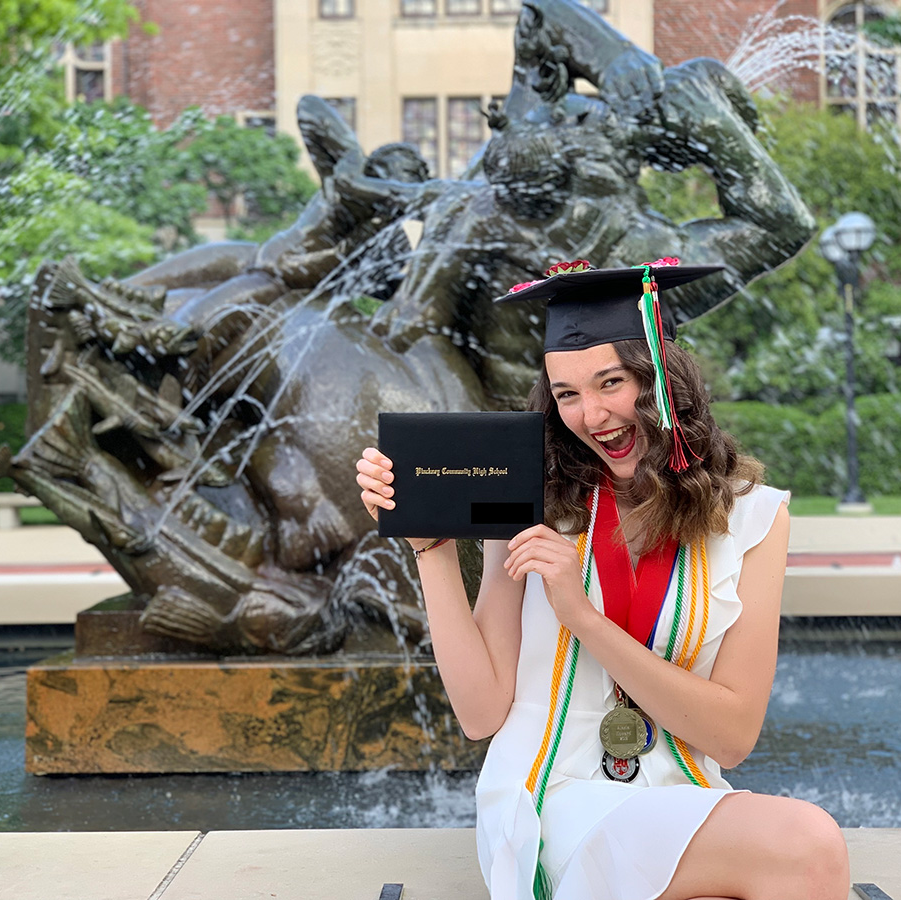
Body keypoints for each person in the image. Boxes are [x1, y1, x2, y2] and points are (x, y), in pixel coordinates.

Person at [354, 260, 850, 900]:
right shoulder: (535, 501)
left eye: (610, 383)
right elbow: (480, 714)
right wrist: (432, 551)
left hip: (681, 793)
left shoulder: (753, 517)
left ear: (661, 380)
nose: (591, 415)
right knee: (808, 847)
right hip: (549, 799)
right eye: (566, 394)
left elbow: (733, 735)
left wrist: (581, 613)